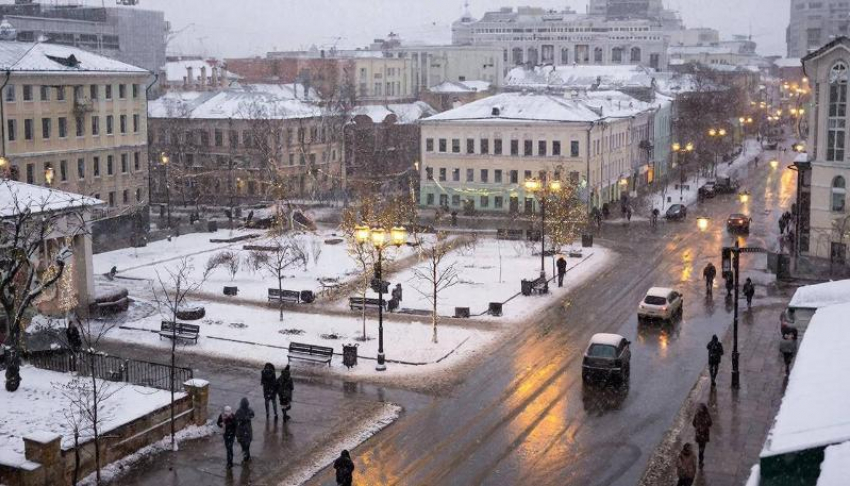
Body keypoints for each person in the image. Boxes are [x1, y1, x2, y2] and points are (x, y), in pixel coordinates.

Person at [692, 403, 713, 469]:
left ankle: (700, 460)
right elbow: (710, 423)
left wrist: (698, 428)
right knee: (702, 448)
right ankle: (701, 461)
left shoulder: (697, 415)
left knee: (700, 447)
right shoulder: (707, 415)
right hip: (704, 435)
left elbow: (694, 423)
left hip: (699, 435)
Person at [234, 397, 254, 462]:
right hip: (247, 432)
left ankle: (246, 457)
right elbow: (252, 415)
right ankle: (247, 456)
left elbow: (235, 419)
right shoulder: (249, 410)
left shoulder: (239, 411)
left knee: (244, 447)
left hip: (241, 432)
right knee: (247, 446)